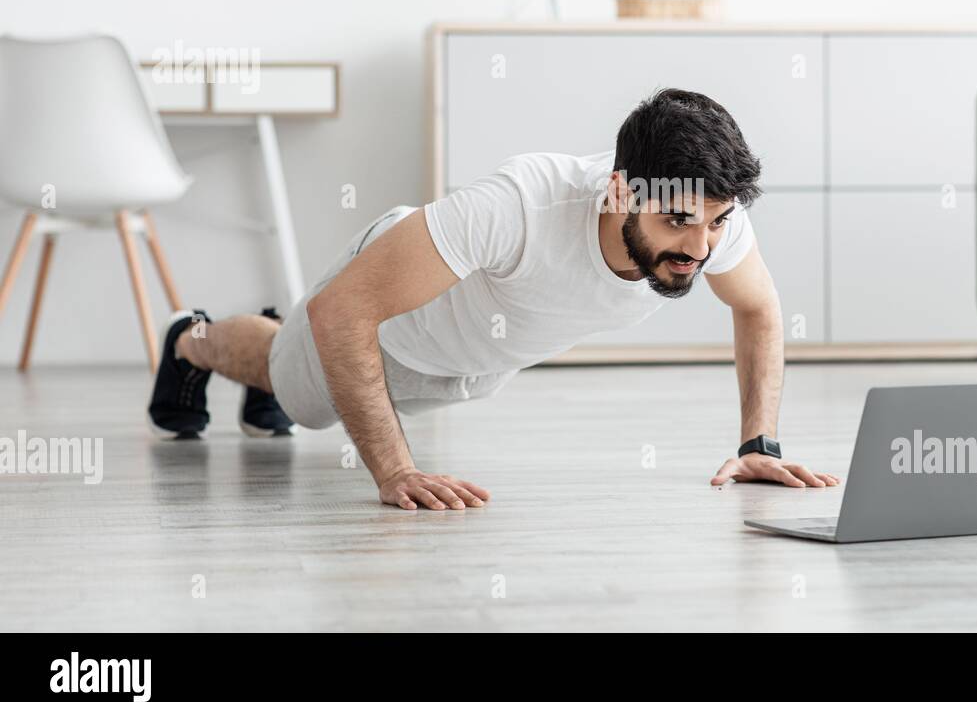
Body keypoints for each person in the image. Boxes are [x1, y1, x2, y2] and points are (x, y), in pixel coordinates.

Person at [146, 89, 840, 509]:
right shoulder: (522, 204)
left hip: (466, 363)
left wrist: (759, 444)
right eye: (681, 225)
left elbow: (757, 308)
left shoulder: (708, 213)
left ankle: (280, 343)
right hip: (381, 322)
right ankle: (191, 339)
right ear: (621, 191)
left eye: (717, 223)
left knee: (297, 371)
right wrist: (396, 471)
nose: (701, 248)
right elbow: (345, 313)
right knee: (294, 391)